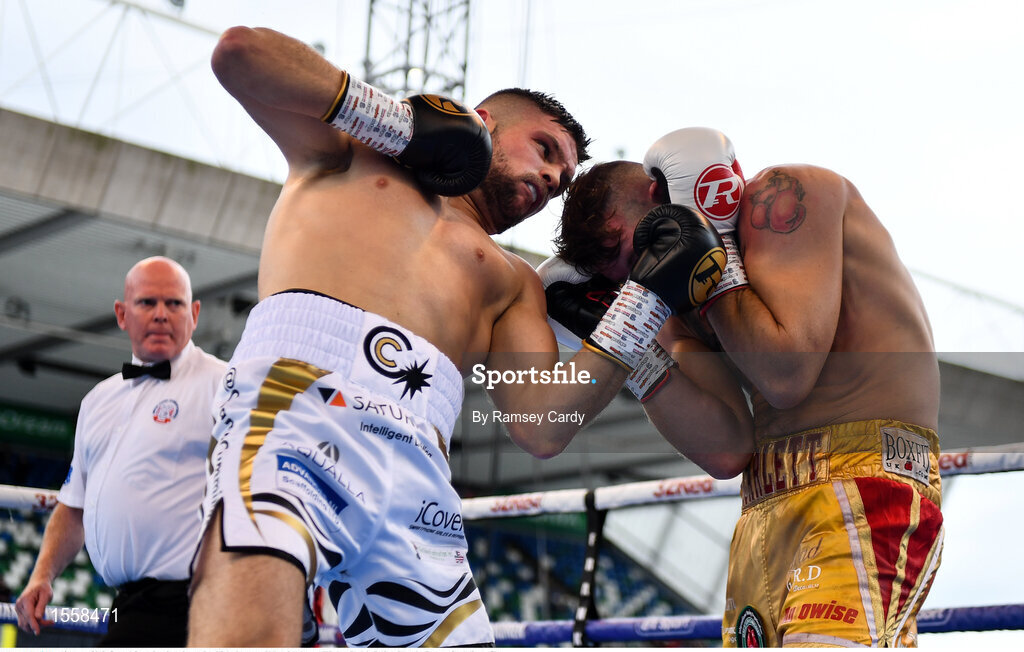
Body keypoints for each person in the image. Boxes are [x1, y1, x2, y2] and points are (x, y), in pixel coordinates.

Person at [188, 26, 723, 648]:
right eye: (545, 150)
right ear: (483, 120)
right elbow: (239, 56)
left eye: (564, 178)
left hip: (418, 467)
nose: (553, 179)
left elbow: (543, 426)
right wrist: (395, 123)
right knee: (253, 585)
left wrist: (637, 308)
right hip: (298, 404)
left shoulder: (514, 282)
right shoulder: (353, 156)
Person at [552, 127, 943, 647]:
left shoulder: (785, 196)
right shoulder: (670, 289)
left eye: (641, 247)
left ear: (658, 196)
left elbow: (787, 373)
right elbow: (725, 449)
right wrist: (633, 348)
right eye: (633, 276)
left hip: (863, 481)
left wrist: (712, 255)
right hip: (762, 509)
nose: (649, 273)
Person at [14, 256, 227, 647]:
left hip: (195, 603)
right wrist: (42, 575)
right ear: (121, 313)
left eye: (174, 303)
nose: (161, 314)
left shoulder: (224, 385)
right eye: (148, 302)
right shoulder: (98, 400)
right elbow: (73, 504)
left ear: (194, 313)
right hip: (130, 604)